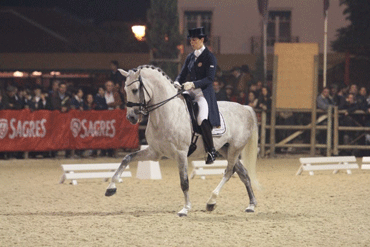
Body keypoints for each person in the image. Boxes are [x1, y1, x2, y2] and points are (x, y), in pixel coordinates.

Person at [174, 27, 220, 164]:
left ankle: (211, 150)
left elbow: (210, 79)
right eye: (190, 40)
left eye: (194, 40)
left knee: (201, 118)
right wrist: (176, 82)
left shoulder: (210, 57)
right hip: (189, 90)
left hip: (203, 93)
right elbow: (182, 75)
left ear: (202, 40)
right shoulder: (190, 57)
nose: (191, 43)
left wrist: (193, 84)